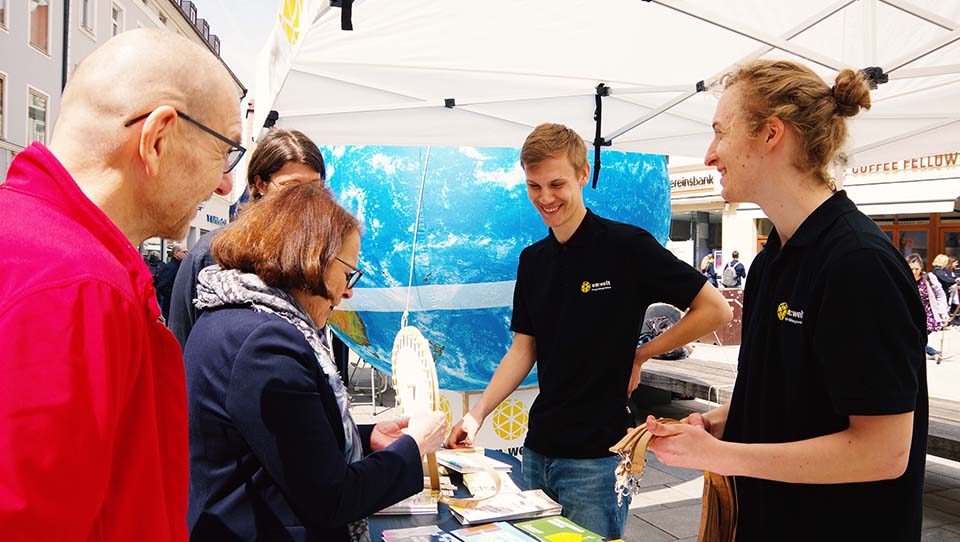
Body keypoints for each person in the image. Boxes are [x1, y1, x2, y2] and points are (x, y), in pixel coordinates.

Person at [645, 60, 928, 541]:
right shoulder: (772, 257)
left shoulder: (858, 264)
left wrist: (721, 456)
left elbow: (883, 452)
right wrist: (714, 423)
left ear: (771, 133)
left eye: (720, 133)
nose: (711, 155)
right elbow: (786, 397)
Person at [0, 29, 241, 540]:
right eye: (226, 153)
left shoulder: (37, 248)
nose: (226, 185)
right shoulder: (77, 285)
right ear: (157, 138)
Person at [444, 123, 732, 539]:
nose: (545, 198)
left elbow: (715, 309)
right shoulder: (533, 261)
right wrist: (476, 414)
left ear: (582, 175)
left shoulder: (626, 246)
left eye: (556, 183)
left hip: (598, 460)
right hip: (537, 451)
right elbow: (523, 350)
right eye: (534, 186)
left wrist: (642, 353)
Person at [184, 182, 447, 541]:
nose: (349, 290)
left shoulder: (232, 320)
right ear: (311, 258)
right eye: (348, 273)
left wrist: (365, 438)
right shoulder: (265, 345)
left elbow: (287, 448)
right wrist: (413, 447)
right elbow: (331, 498)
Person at [168, 128, 326, 348]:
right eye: (292, 187)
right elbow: (182, 339)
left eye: (315, 188)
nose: (305, 198)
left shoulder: (313, 254)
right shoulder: (213, 253)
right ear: (261, 184)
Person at [908, 253, 949, 360]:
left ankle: (926, 350)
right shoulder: (903, 278)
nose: (914, 272)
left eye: (917, 269)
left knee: (920, 336)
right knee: (915, 335)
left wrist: (943, 311)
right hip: (910, 313)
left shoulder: (929, 277)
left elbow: (940, 294)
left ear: (921, 267)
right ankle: (929, 351)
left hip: (927, 313)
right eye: (911, 268)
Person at [156, 243, 187, 321]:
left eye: (187, 252)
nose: (186, 254)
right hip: (171, 305)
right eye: (184, 252)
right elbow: (162, 286)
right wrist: (174, 295)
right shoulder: (171, 267)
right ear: (176, 253)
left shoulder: (180, 265)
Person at [932, 254, 959, 323]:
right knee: (942, 308)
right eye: (946, 262)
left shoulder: (942, 271)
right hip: (940, 293)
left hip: (945, 292)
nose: (947, 264)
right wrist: (955, 280)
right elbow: (946, 279)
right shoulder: (938, 271)